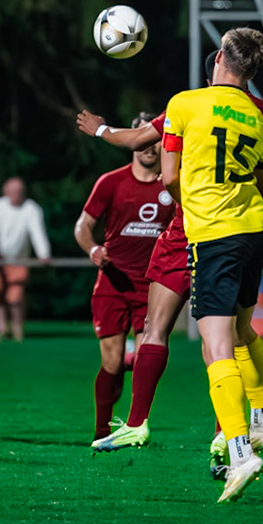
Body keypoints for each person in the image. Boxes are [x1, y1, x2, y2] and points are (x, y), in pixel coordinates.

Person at [77, 66, 263, 467]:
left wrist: (100, 130)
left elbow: (142, 142)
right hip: (235, 231)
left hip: (189, 231)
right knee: (230, 340)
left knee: (166, 332)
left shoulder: (190, 103)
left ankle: (143, 424)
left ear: (218, 69)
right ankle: (233, 436)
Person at [160, 28, 263, 502]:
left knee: (215, 348)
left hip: (213, 235)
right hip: (254, 231)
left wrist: (190, 201)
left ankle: (240, 450)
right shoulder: (258, 116)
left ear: (218, 61)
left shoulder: (185, 104)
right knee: (244, 332)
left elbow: (168, 175)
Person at [73, 115, 176, 442]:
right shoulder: (111, 182)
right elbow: (82, 226)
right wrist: (93, 251)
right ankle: (102, 428)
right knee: (113, 363)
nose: (149, 146)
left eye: (154, 140)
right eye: (142, 139)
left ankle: (134, 426)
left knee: (148, 350)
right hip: (113, 284)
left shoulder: (172, 185)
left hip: (153, 286)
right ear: (131, 141)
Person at [0, 176, 51, 341]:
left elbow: (37, 232)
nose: (15, 195)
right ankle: (2, 330)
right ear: (6, 192)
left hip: (19, 259)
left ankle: (18, 332)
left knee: (15, 298)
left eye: (18, 192)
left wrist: (44, 254)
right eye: (12, 191)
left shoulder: (32, 209)